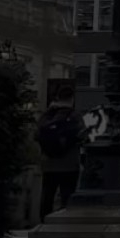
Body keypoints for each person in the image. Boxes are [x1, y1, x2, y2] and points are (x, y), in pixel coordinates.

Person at [36, 85, 86, 219]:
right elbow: (83, 136)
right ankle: (65, 221)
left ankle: (44, 221)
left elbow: (37, 134)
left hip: (48, 164)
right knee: (67, 196)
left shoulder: (46, 116)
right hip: (69, 164)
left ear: (57, 98)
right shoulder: (75, 116)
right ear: (72, 99)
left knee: (47, 195)